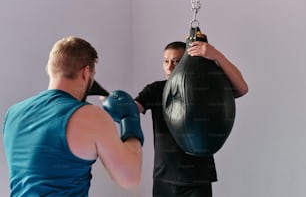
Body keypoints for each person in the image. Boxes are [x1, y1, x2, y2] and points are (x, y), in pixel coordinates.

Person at [2, 36, 144, 196]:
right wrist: (129, 118)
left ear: (50, 69)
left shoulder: (13, 114)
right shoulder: (91, 115)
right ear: (86, 72)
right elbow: (130, 178)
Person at [135, 41, 248, 197]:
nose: (169, 67)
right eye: (166, 61)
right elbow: (133, 109)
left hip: (198, 179)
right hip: (165, 178)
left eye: (176, 61)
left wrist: (216, 55)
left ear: (188, 62)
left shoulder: (205, 88)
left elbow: (242, 88)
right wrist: (117, 104)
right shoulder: (156, 90)